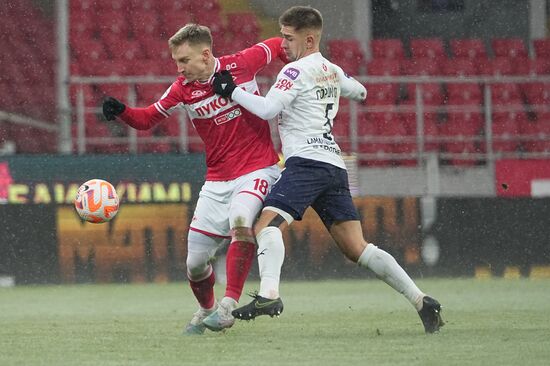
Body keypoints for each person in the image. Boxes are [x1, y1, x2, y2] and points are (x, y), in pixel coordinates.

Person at [212, 6, 444, 333]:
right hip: (335, 166)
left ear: (308, 39)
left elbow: (267, 110)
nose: (283, 44)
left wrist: (230, 90)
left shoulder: (293, 72)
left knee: (265, 226)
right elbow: (359, 90)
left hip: (306, 163)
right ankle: (422, 300)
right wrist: (342, 90)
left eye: (288, 38)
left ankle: (269, 294)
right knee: (357, 248)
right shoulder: (331, 69)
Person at [102, 24, 288, 334]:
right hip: (216, 181)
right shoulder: (182, 88)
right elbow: (148, 119)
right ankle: (206, 309)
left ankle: (228, 306)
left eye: (184, 60)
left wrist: (296, 72)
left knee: (241, 218)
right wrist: (121, 110)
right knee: (195, 264)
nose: (179, 68)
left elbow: (279, 44)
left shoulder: (242, 63)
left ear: (205, 55)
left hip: (258, 169)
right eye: (176, 61)